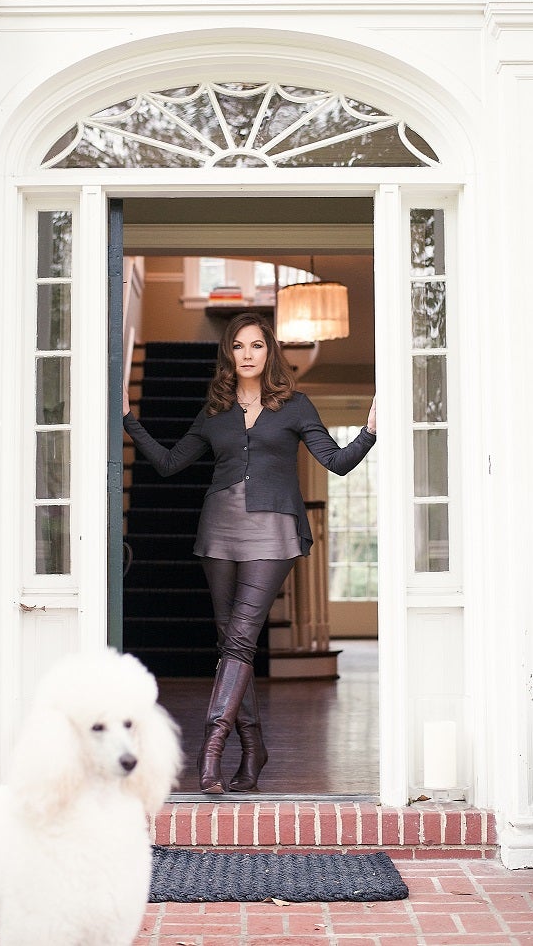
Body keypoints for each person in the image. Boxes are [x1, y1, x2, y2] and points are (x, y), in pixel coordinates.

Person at [122, 312, 376, 795]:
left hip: (274, 529)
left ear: (270, 351)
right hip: (219, 529)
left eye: (256, 346)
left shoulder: (296, 406)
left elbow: (337, 463)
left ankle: (210, 749)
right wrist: (129, 419)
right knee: (230, 646)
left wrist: (369, 432)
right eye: (238, 347)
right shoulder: (214, 411)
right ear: (229, 354)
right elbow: (171, 463)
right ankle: (253, 747)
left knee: (239, 641)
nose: (247, 355)